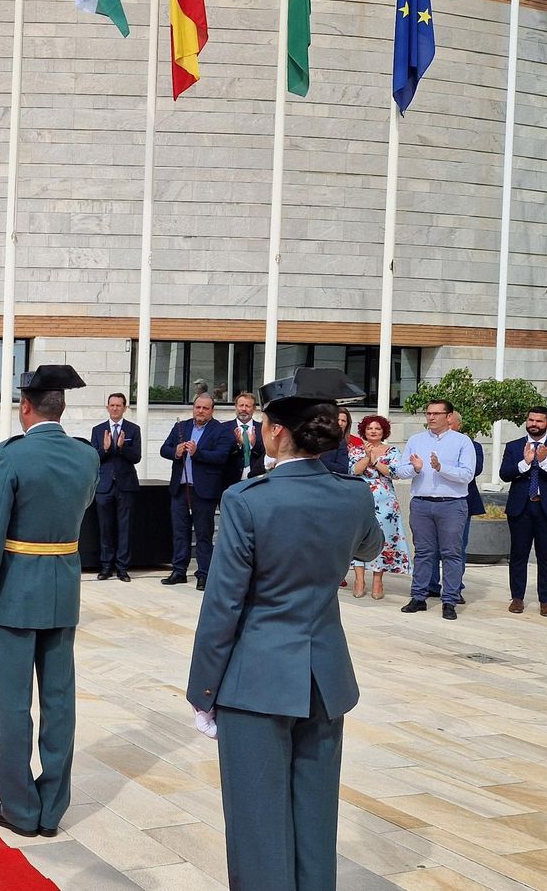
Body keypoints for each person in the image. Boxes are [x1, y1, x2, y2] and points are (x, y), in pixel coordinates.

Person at [186, 368, 383, 891]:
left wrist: (203, 690)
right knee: (315, 818)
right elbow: (370, 548)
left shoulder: (248, 499)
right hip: (325, 679)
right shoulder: (353, 494)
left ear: (275, 431)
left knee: (258, 825)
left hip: (256, 680)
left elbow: (223, 604)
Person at [0, 365, 99, 839]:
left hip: (15, 593)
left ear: (25, 406)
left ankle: (20, 807)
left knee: (13, 705)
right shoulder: (86, 456)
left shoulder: (9, 456)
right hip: (63, 588)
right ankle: (52, 808)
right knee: (60, 702)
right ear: (60, 407)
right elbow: (82, 507)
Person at [395, 399, 475, 621]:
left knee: (451, 553)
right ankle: (418, 597)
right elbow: (400, 471)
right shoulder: (416, 440)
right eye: (428, 413)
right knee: (423, 552)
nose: (431, 417)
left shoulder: (462, 441)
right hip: (422, 503)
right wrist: (415, 468)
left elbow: (467, 475)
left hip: (451, 504)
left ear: (449, 417)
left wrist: (441, 468)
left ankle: (449, 600)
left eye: (436, 414)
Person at [499, 406, 547, 617]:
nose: (534, 424)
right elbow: (505, 474)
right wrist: (525, 462)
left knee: (546, 555)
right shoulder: (514, 446)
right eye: (531, 420)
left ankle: (546, 601)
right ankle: (517, 598)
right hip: (520, 508)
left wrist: (544, 461)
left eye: (539, 421)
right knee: (518, 554)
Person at [159, 394, 235, 590]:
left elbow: (221, 456)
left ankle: (204, 574)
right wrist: (175, 452)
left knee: (203, 534)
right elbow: (164, 449)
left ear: (212, 410)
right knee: (180, 532)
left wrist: (197, 453)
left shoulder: (221, 430)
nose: (200, 411)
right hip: (180, 489)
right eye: (198, 407)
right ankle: (179, 571)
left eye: (205, 408)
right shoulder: (181, 427)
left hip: (204, 491)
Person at [420, 410, 485, 600]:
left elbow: (473, 471)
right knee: (429, 548)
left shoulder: (471, 445)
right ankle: (431, 585)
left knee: (456, 548)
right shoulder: (427, 443)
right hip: (430, 500)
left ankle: (454, 588)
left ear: (458, 425)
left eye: (451, 423)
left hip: (459, 502)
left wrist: (443, 467)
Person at [347, 415, 411, 600]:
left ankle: (377, 581)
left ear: (384, 432)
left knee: (383, 539)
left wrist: (375, 460)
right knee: (359, 537)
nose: (373, 431)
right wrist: (367, 457)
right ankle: (359, 580)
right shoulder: (355, 450)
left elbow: (394, 473)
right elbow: (353, 471)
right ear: (364, 431)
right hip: (360, 498)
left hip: (385, 502)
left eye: (377, 428)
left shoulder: (392, 451)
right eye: (370, 428)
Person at [89, 392, 141, 582]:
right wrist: (105, 448)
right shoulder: (98, 430)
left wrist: (121, 447)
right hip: (104, 486)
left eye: (119, 405)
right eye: (112, 405)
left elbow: (136, 457)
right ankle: (105, 566)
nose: (115, 408)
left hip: (126, 486)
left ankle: (122, 568)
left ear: (125, 408)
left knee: (124, 528)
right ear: (107, 407)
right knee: (105, 528)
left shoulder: (133, 429)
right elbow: (94, 458)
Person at [224, 392, 264, 487]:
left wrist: (254, 444)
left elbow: (267, 454)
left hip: (256, 481)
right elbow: (222, 455)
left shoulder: (262, 428)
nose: (243, 409)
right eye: (241, 405)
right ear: (236, 407)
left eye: (247, 406)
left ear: (254, 409)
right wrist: (238, 445)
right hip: (231, 481)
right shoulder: (224, 428)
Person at [318, 407, 356, 474]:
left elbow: (343, 468)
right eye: (337, 420)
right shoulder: (318, 437)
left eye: (343, 421)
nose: (340, 423)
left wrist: (320, 463)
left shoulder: (342, 442)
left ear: (347, 424)